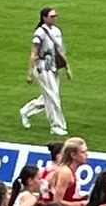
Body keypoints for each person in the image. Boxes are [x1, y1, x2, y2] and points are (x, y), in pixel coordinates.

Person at [20, 7, 70, 136]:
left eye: (55, 16)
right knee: (53, 97)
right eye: (52, 16)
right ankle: (56, 126)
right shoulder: (39, 33)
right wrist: (30, 73)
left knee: (50, 95)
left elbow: (61, 50)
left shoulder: (57, 31)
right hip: (43, 67)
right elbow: (34, 53)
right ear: (44, 17)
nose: (55, 18)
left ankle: (26, 111)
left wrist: (67, 67)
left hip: (53, 66)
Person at [49, 138, 88, 206]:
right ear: (73, 155)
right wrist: (81, 204)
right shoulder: (65, 172)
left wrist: (81, 198)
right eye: (83, 152)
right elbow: (57, 202)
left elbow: (68, 196)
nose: (87, 155)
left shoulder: (70, 171)